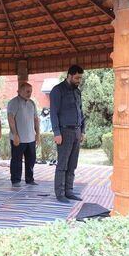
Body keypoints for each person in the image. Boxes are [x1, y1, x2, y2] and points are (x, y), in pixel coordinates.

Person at [50, 65, 86, 203]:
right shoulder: (57, 90)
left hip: (76, 131)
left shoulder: (77, 92)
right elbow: (53, 112)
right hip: (64, 132)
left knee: (72, 164)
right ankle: (60, 194)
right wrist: (56, 132)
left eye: (80, 78)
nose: (79, 80)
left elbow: (81, 113)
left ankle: (69, 191)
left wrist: (82, 130)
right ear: (69, 76)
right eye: (77, 77)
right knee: (63, 164)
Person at [7, 82, 40, 187]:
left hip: (30, 137)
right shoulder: (13, 102)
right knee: (16, 160)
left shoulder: (32, 103)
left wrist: (38, 134)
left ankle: (29, 179)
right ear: (20, 91)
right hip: (18, 138)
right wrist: (15, 134)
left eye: (30, 91)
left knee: (31, 160)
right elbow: (10, 118)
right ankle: (16, 180)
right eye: (27, 91)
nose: (29, 93)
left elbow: (36, 119)